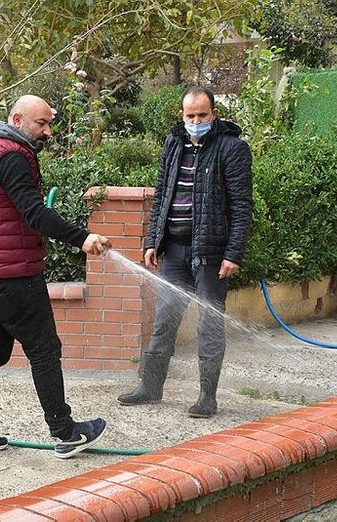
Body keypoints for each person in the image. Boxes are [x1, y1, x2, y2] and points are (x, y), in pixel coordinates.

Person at [0, 94, 111, 459]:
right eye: (41, 124)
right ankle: (65, 432)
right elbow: (34, 213)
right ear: (17, 119)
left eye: (49, 124)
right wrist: (81, 238)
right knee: (44, 350)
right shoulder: (11, 156)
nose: (47, 131)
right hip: (15, 274)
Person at [117, 85, 253, 418]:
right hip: (175, 250)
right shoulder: (173, 143)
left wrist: (233, 254)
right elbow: (162, 194)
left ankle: (207, 397)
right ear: (182, 115)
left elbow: (241, 206)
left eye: (202, 115)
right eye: (190, 115)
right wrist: (152, 241)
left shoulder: (232, 148)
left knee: (209, 324)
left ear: (214, 114)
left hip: (210, 252)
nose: (196, 121)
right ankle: (150, 387)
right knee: (163, 320)